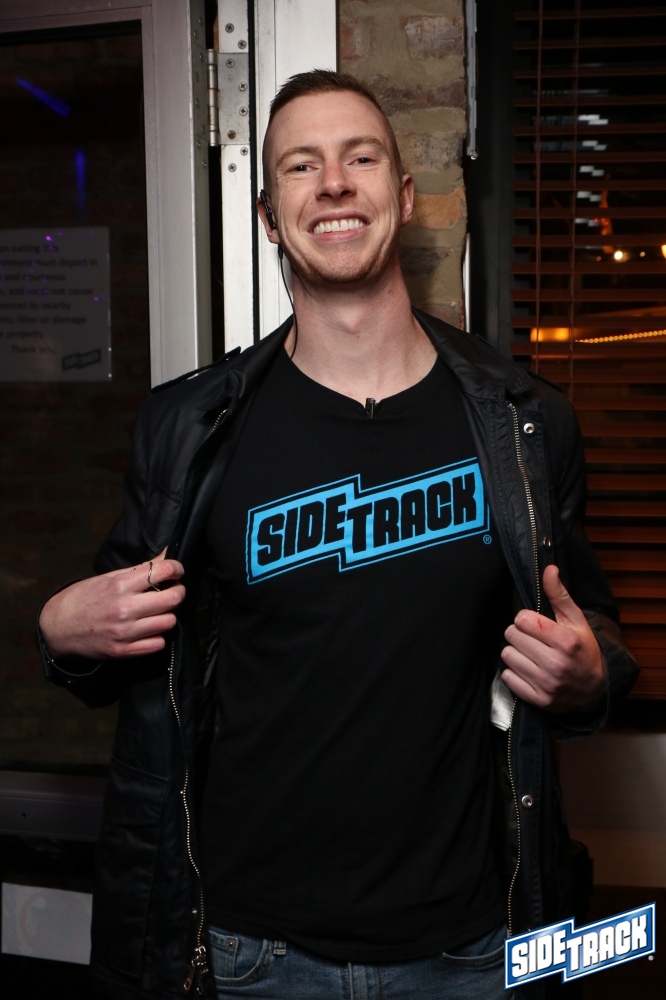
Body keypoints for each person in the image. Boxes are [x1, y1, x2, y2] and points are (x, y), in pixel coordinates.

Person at [38, 70, 637, 1000]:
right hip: (250, 951)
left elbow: (593, 634)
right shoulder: (192, 430)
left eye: (360, 158)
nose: (333, 184)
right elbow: (120, 647)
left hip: (470, 947)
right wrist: (60, 633)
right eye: (301, 166)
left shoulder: (525, 422)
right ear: (271, 217)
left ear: (404, 194)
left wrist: (589, 671)